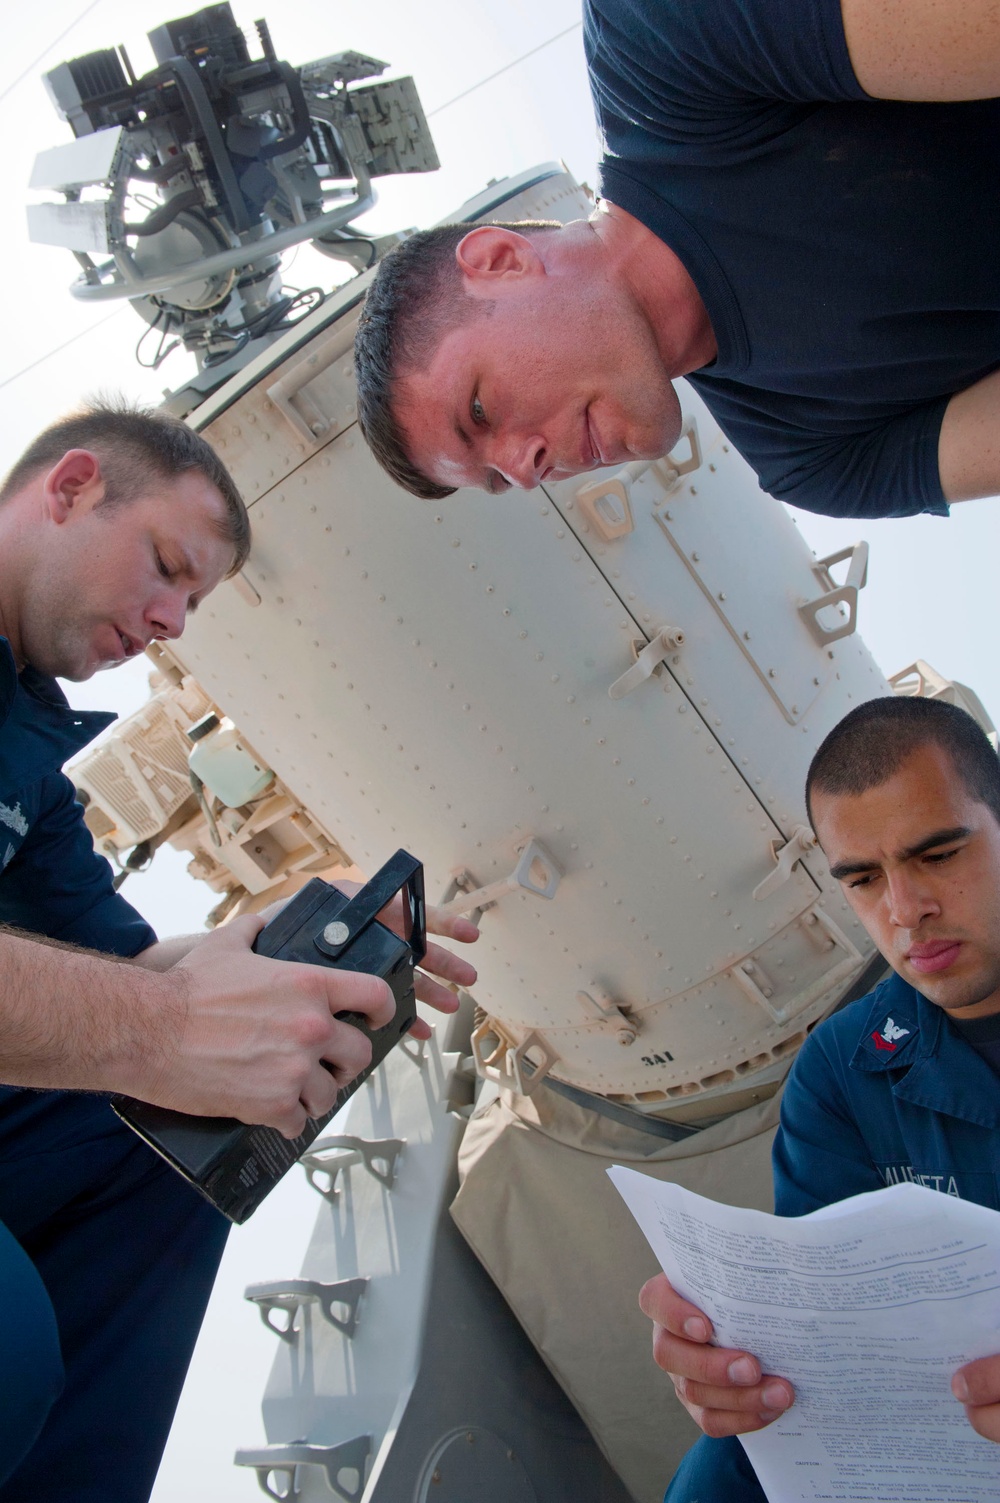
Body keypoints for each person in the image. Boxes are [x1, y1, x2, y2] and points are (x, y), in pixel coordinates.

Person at [0, 401, 478, 1503]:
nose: (171, 620)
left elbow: (123, 983)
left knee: (185, 1130)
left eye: (193, 603)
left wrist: (291, 955)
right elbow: (146, 1017)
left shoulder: (27, 766)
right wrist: (162, 1026)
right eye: (165, 567)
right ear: (69, 488)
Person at [352, 0, 1000, 521]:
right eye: (497, 478)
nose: (526, 471)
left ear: (499, 260)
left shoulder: (660, 40)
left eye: (480, 412)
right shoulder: (809, 458)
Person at [641, 694, 1000, 1500]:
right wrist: (733, 1368)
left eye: (939, 854)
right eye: (865, 879)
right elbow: (828, 1344)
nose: (905, 911)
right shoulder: (841, 1070)